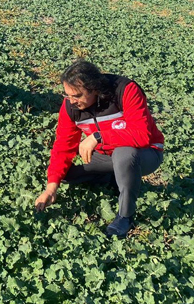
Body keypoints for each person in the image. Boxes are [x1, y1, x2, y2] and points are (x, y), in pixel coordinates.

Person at [34, 60, 164, 238]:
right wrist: (50, 188)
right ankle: (114, 178)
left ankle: (125, 216)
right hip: (107, 158)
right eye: (67, 95)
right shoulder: (70, 107)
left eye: (77, 96)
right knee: (64, 174)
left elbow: (142, 135)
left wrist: (99, 136)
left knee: (123, 154)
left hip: (146, 153)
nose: (72, 102)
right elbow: (63, 146)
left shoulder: (125, 90)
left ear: (94, 88)